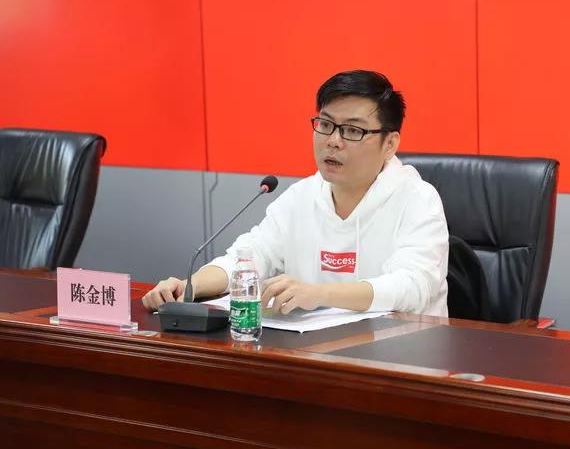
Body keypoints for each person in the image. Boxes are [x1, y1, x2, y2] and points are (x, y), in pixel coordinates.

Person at [142, 70, 449, 316]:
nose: (333, 141)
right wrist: (190, 286)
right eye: (325, 125)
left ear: (390, 144)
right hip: (314, 354)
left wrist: (319, 294)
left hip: (400, 358)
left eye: (353, 130)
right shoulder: (301, 197)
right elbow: (251, 256)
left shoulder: (417, 200)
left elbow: (413, 286)